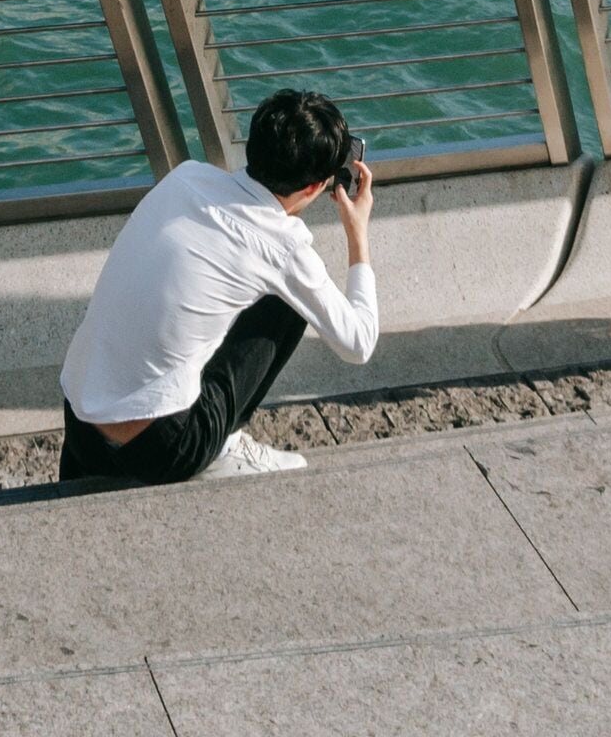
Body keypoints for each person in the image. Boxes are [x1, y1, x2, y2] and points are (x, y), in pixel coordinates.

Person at [59, 88, 378, 484]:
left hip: (79, 424)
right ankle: (223, 448)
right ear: (314, 187)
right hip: (162, 451)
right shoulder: (284, 246)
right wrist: (357, 232)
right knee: (288, 303)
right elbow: (359, 344)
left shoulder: (184, 178)